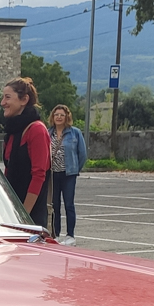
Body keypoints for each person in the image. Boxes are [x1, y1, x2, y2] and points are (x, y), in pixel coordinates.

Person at [0, 77, 50, 228]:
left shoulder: (36, 130)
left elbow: (39, 175)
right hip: (12, 212)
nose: (2, 103)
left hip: (30, 216)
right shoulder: (13, 131)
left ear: (24, 100)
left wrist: (23, 216)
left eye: (7, 97)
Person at [47, 103, 86, 244]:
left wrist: (75, 169)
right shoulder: (48, 132)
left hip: (69, 174)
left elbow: (82, 154)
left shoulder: (74, 132)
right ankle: (55, 234)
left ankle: (70, 235)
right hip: (53, 174)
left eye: (61, 115)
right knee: (54, 205)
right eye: (56, 114)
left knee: (69, 204)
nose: (58, 117)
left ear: (66, 117)